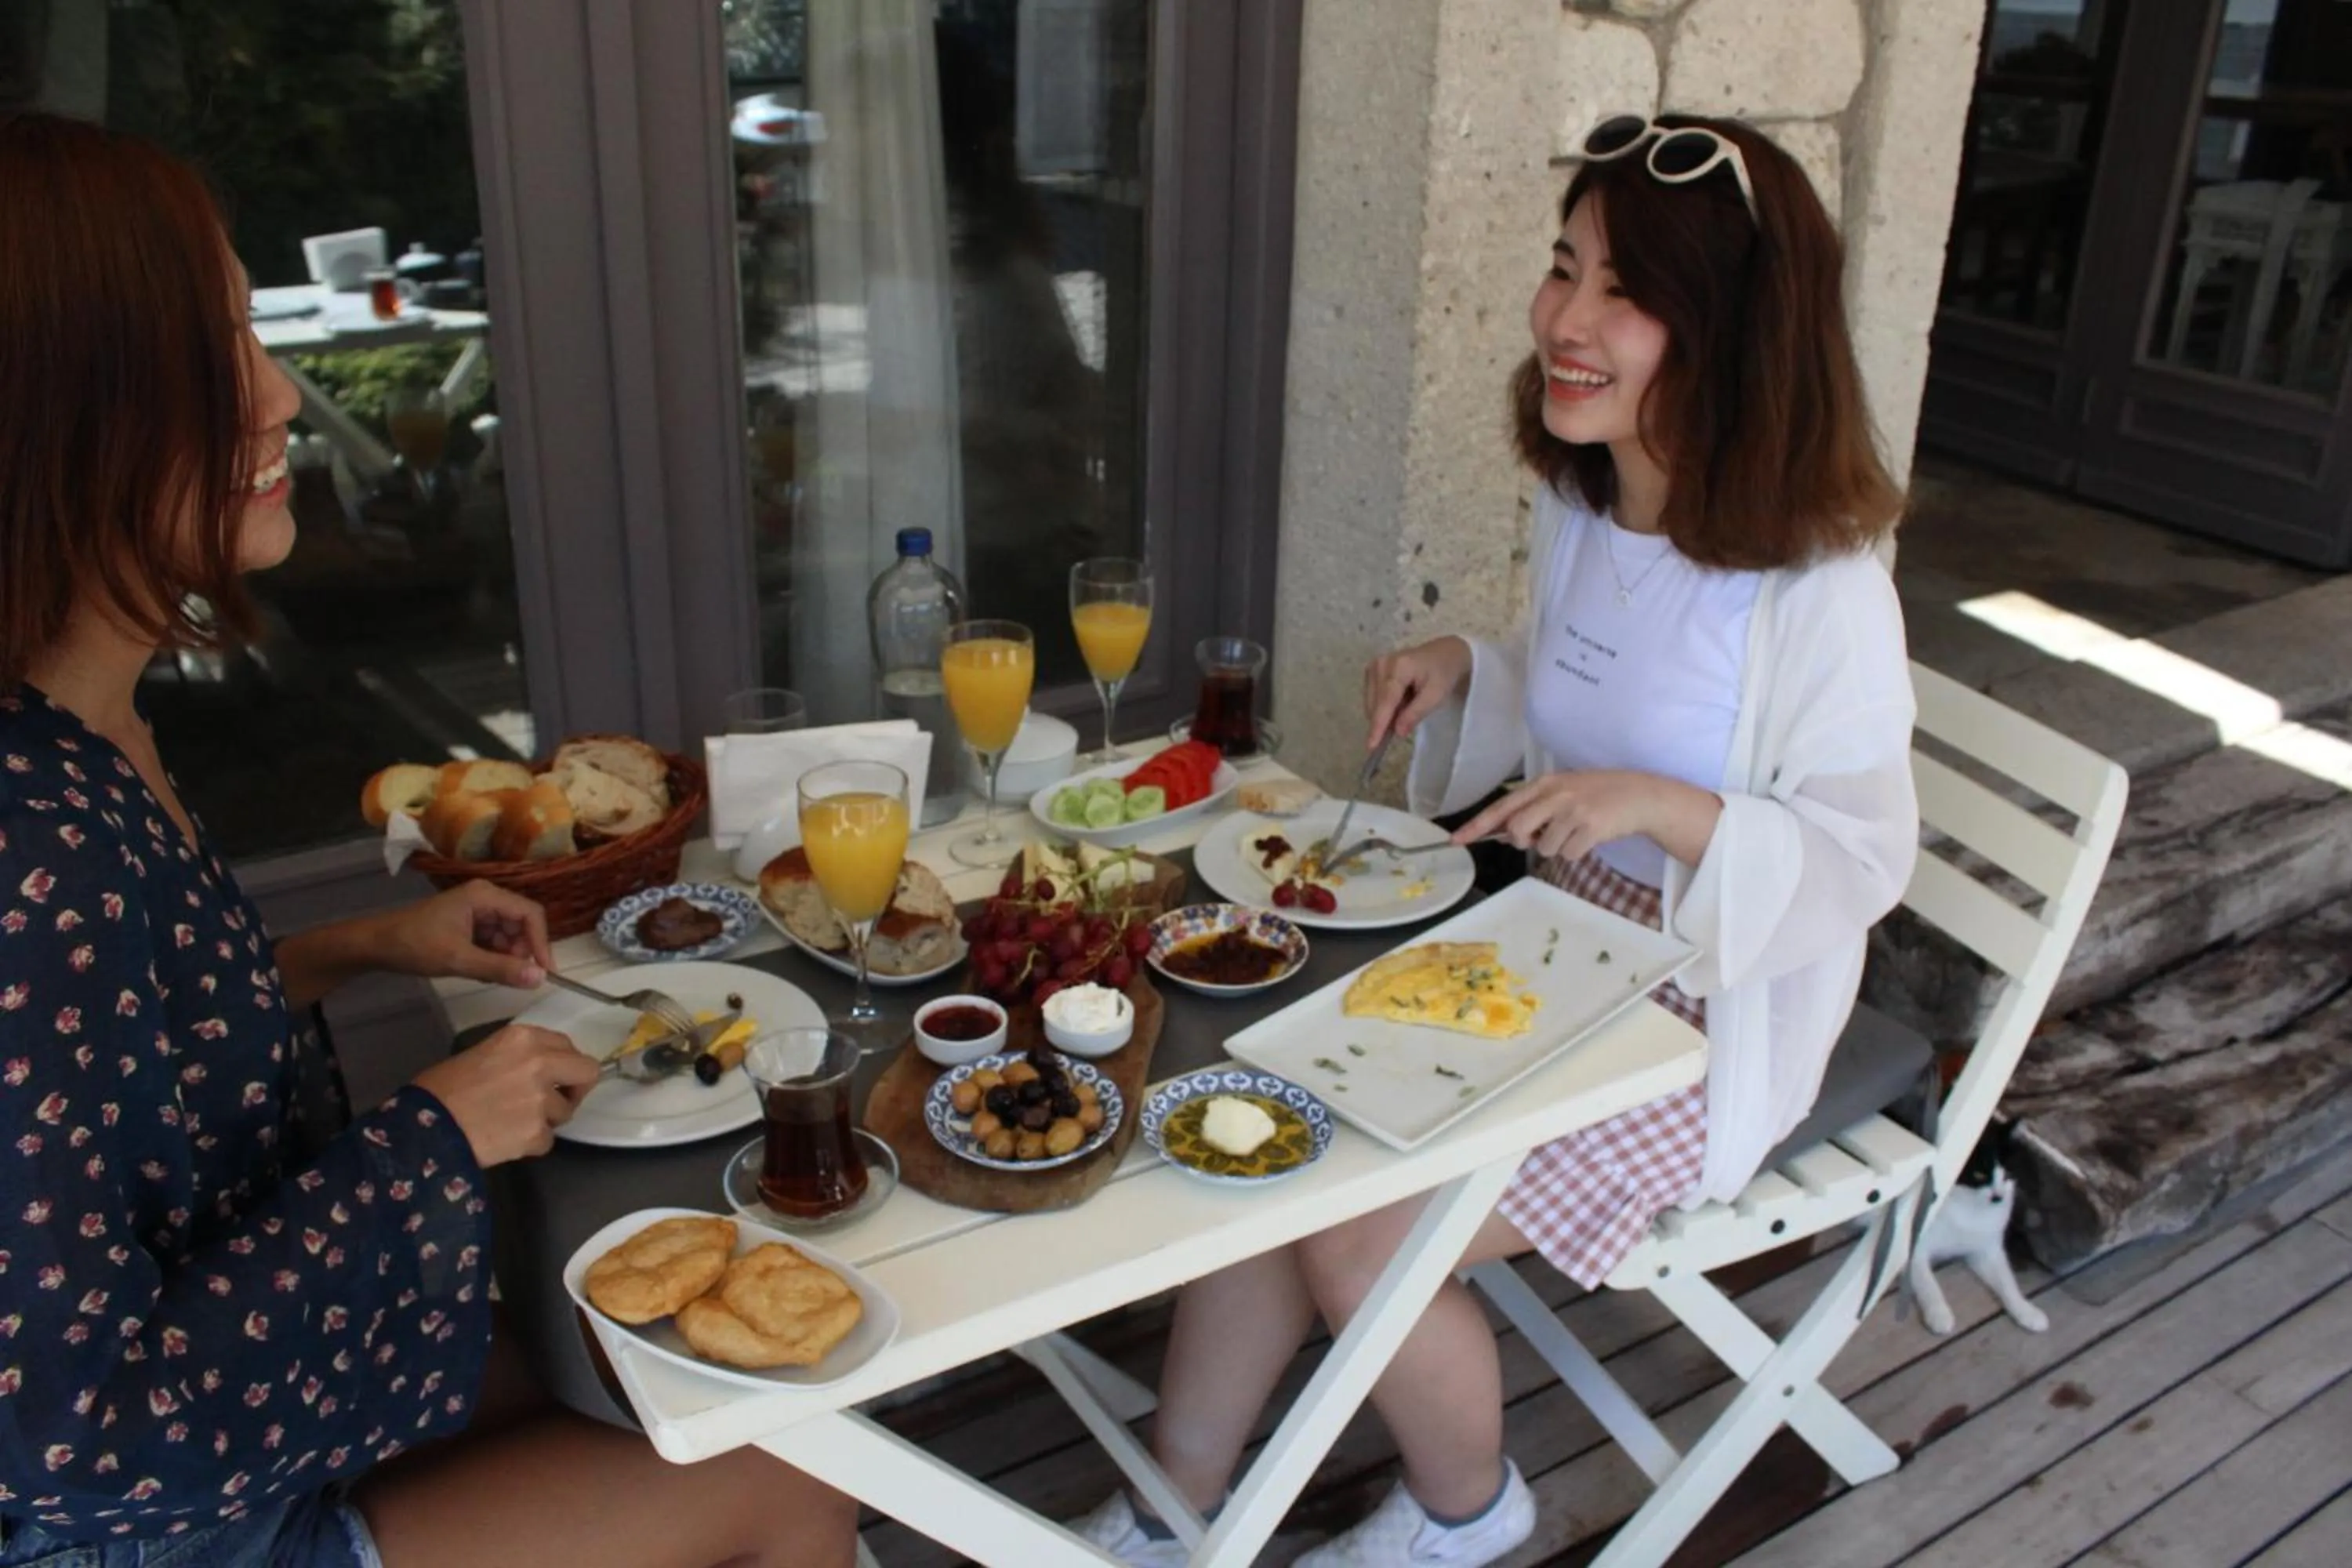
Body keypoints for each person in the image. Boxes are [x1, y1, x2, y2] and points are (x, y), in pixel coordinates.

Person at [0, 112, 859, 1567]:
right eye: (210, 358)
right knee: (780, 1468)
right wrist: (438, 1137)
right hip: (164, 1526)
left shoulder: (98, 732)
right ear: (60, 415)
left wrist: (365, 946)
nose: (277, 397)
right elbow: (77, 1435)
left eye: (254, 334)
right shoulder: (29, 851)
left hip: (265, 1384)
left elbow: (103, 1080)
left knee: (637, 1366)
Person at [1073, 113, 1920, 1567]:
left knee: (1356, 1229)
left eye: (1623, 292)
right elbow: (1587, 680)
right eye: (1561, 267)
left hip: (1699, 1018)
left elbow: (1859, 857)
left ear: (1729, 332)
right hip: (1543, 944)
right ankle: (1171, 1509)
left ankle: (1468, 1515)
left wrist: (1661, 812)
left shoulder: (1819, 589)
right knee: (1275, 1121)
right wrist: (1474, 662)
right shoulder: (1589, 496)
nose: (1566, 322)